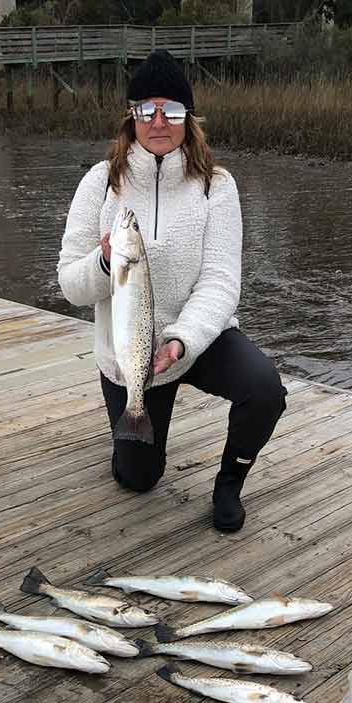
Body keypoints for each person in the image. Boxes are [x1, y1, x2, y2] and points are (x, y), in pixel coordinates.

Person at [57, 49, 287, 533]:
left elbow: (221, 281)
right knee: (138, 478)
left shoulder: (216, 186)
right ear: (131, 116)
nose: (159, 121)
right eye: (147, 109)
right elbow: (70, 285)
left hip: (197, 338)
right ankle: (134, 439)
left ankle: (229, 484)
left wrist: (183, 339)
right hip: (128, 352)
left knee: (265, 388)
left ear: (189, 118)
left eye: (173, 110)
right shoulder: (100, 183)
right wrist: (104, 261)